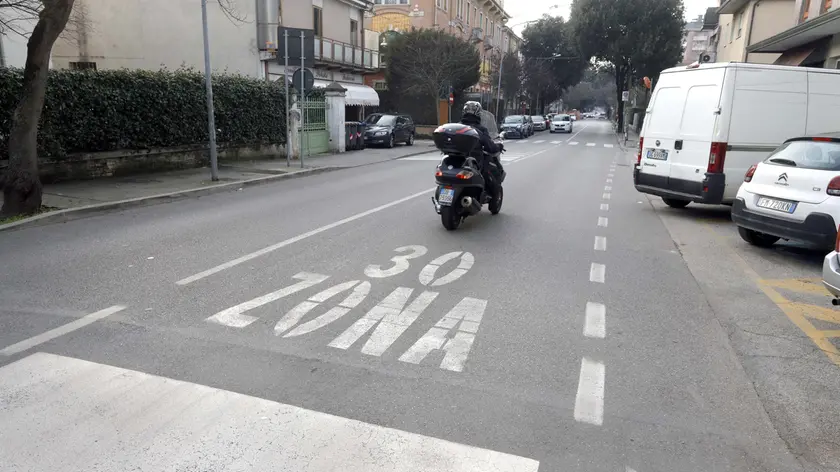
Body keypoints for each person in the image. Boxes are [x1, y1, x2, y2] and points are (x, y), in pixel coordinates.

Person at [459, 101, 504, 190]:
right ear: (479, 113)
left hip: (456, 161)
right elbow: (490, 147)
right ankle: (491, 192)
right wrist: (499, 147)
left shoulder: (458, 127)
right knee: (492, 171)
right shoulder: (481, 129)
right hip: (474, 162)